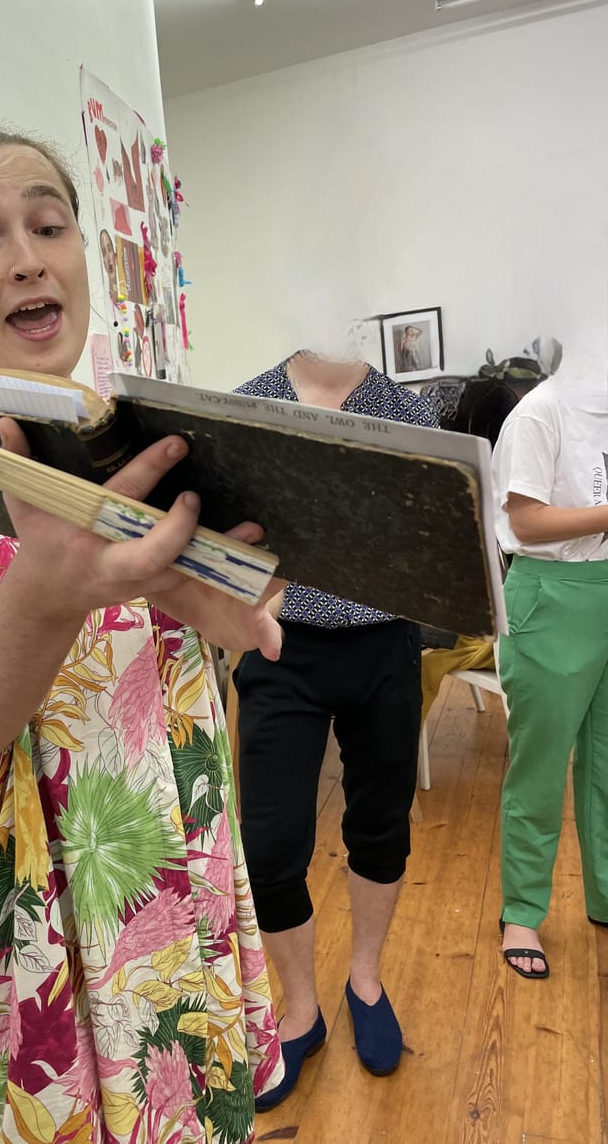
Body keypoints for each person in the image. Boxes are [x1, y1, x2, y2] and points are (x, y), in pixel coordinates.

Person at [0, 129, 284, 1144]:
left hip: (169, 920)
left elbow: (171, 703)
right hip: (19, 959)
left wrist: (224, 616)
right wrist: (43, 593)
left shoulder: (132, 437)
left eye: (48, 225)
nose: (27, 256)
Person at [232, 345, 438, 1110]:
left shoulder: (407, 412)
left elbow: (429, 542)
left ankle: (365, 978)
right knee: (271, 843)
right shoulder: (248, 404)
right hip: (282, 647)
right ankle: (299, 1009)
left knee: (380, 826)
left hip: (385, 642)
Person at [492, 372, 608, 979]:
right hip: (552, 594)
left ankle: (606, 892)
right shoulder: (540, 412)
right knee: (540, 765)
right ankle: (522, 912)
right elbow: (528, 522)